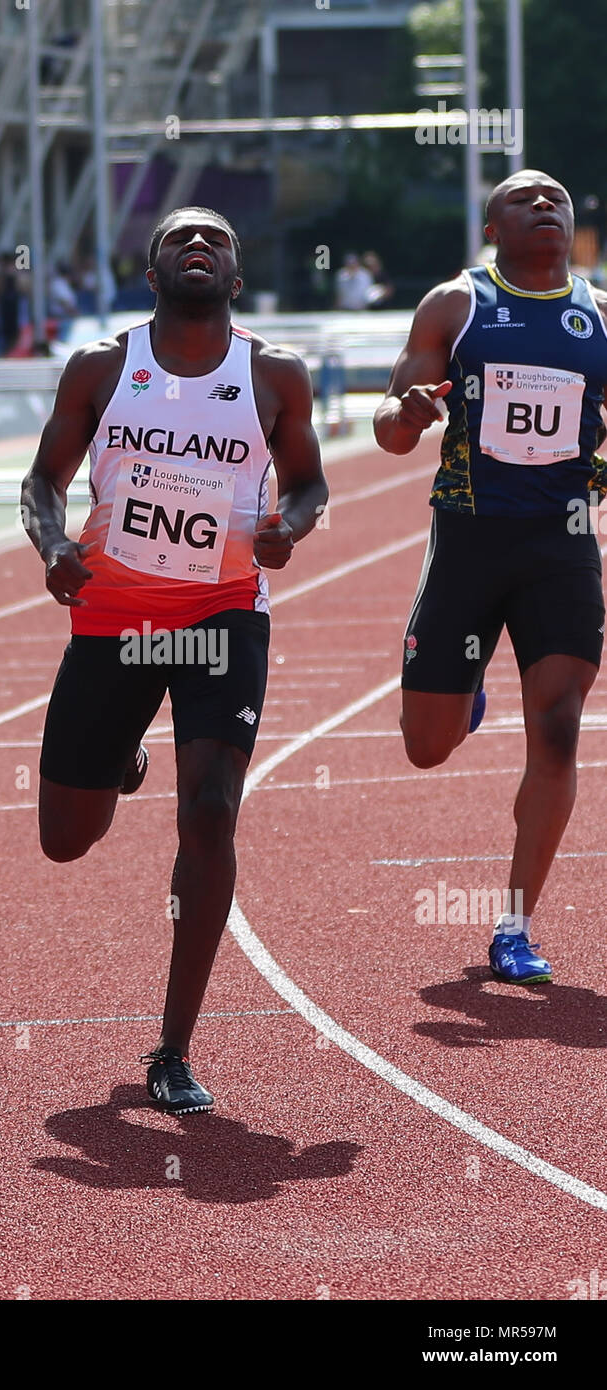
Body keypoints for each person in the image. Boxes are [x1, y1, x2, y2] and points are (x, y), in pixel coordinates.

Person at [23, 206, 328, 1113]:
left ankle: (174, 1048)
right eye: (178, 239)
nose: (199, 245)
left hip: (222, 616)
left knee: (210, 815)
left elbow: (310, 482)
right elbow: (43, 481)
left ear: (235, 277)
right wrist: (51, 550)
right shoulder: (102, 369)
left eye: (218, 240)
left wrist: (290, 527)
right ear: (149, 273)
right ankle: (121, 759)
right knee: (65, 841)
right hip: (114, 620)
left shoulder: (272, 374)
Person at [373, 170, 607, 986]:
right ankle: (460, 699)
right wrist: (407, 414)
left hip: (564, 545)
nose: (545, 204)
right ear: (490, 227)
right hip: (470, 542)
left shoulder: (600, 314)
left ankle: (514, 924)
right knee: (425, 747)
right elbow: (390, 427)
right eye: (523, 198)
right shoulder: (456, 305)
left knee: (559, 726)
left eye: (557, 199)